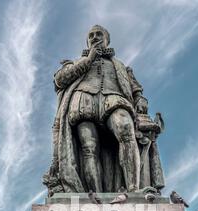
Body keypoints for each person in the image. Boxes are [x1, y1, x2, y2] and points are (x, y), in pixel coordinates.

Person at [44, 25, 164, 195]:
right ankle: (95, 195)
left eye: (99, 34)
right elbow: (60, 80)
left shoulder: (120, 65)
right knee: (89, 147)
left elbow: (135, 89)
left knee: (126, 131)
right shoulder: (75, 62)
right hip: (83, 99)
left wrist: (140, 98)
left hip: (114, 97)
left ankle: (133, 190)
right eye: (91, 35)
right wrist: (89, 59)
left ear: (107, 40)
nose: (94, 37)